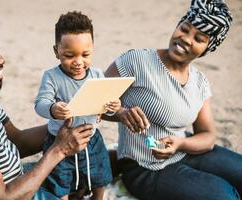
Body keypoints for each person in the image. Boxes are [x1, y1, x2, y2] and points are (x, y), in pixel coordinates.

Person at [0, 17, 94, 200]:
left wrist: (69, 126)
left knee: (92, 168)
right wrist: (59, 150)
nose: (1, 59)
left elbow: (16, 141)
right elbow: (0, 198)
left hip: (15, 182)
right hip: (9, 195)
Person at [104, 0, 242, 199]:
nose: (186, 39)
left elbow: (207, 137)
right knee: (224, 196)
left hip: (185, 151)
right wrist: (121, 113)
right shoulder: (136, 61)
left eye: (199, 38)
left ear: (207, 48)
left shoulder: (199, 82)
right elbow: (91, 104)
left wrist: (179, 144)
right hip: (146, 168)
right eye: (184, 29)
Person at [34, 11, 120, 200]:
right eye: (69, 55)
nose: (78, 62)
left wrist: (113, 105)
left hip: (91, 137)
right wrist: (53, 109)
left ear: (93, 49)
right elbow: (40, 104)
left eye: (85, 54)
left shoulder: (97, 74)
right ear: (56, 51)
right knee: (60, 179)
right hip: (60, 139)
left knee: (100, 172)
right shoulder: (52, 77)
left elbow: (107, 107)